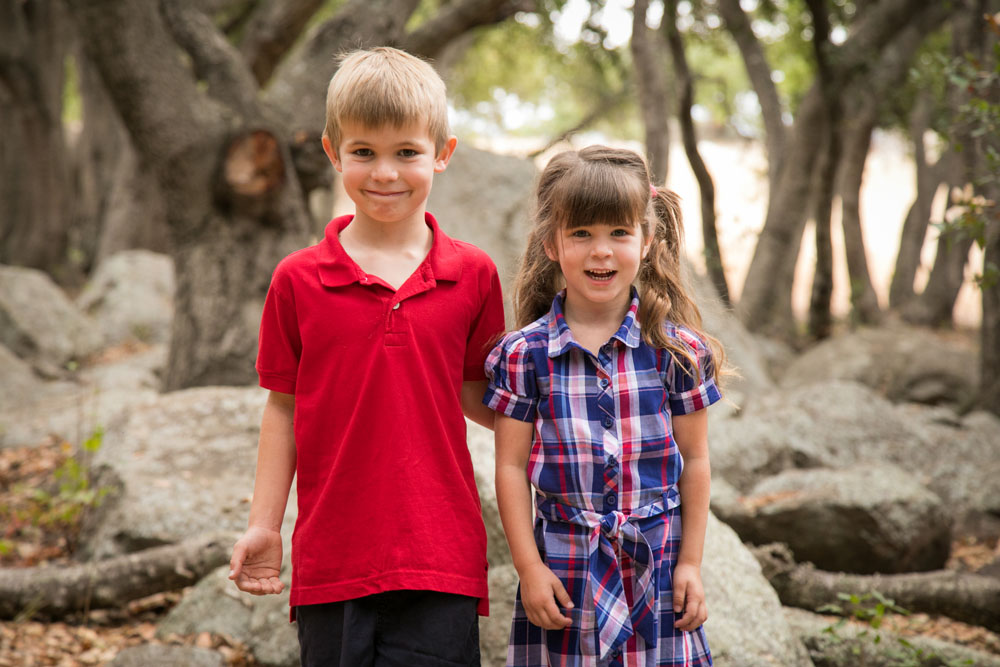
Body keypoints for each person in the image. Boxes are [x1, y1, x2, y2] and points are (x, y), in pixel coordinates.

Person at [228, 46, 506, 666]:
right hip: (334, 559)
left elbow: (477, 398)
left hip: (442, 556)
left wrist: (567, 428)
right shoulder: (297, 281)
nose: (385, 173)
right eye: (364, 153)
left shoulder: (475, 276)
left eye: (406, 152)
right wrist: (264, 525)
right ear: (332, 152)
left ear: (443, 152)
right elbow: (283, 410)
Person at [484, 146, 725, 666]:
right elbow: (508, 466)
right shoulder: (523, 355)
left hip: (657, 566)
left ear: (646, 240)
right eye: (581, 233)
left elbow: (697, 461)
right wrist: (528, 568)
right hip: (565, 572)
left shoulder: (677, 353)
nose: (601, 252)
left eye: (619, 233)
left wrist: (691, 564)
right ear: (551, 242)